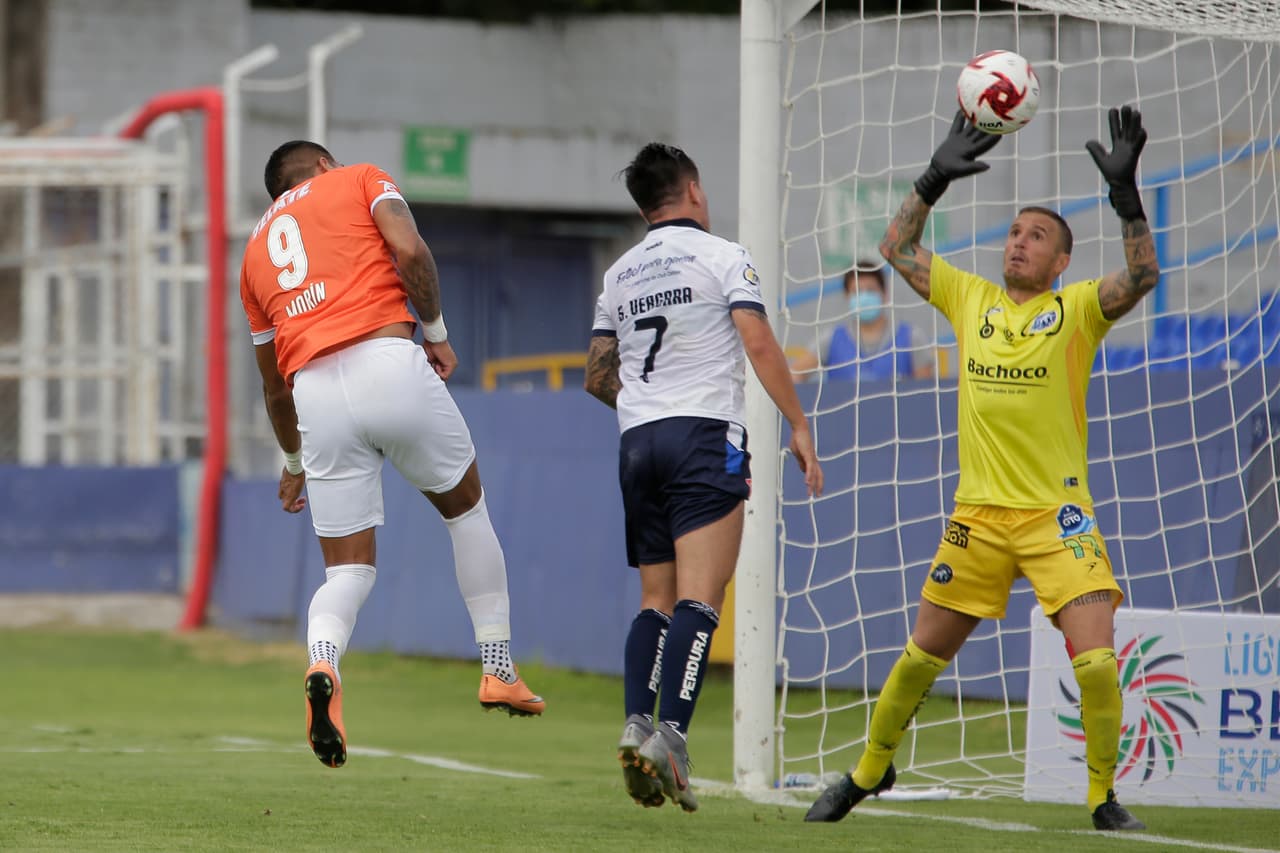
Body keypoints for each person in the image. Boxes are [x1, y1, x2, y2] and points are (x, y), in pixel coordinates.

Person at [805, 106, 1155, 831]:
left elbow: (1143, 273)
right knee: (918, 654)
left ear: (1061, 261)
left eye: (1038, 236)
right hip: (980, 516)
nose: (1019, 243)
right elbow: (895, 246)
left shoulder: (1079, 310)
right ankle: (869, 769)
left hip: (1060, 517)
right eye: (1015, 232)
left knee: (1094, 660)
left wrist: (1126, 198)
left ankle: (1101, 797)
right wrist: (934, 177)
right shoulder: (972, 299)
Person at [238, 140, 544, 770]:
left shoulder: (253, 255)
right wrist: (435, 334)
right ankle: (497, 666)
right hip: (385, 357)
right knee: (466, 512)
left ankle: (323, 664)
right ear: (323, 165)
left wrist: (293, 464)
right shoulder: (358, 178)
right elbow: (409, 251)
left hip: (314, 394)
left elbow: (272, 384)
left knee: (346, 573)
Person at [585, 143, 824, 812]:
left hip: (638, 441)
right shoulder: (725, 255)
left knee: (654, 597)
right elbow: (756, 338)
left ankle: (636, 723)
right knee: (700, 598)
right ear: (693, 188)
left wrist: (647, 410)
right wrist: (798, 425)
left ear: (642, 206)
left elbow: (597, 374)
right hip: (703, 436)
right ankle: (673, 739)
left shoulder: (619, 274)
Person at [790, 263, 935, 382]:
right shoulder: (830, 339)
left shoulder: (912, 338)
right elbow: (795, 375)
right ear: (847, 296)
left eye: (871, 290)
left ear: (884, 293)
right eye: (857, 291)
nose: (864, 296)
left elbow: (924, 392)